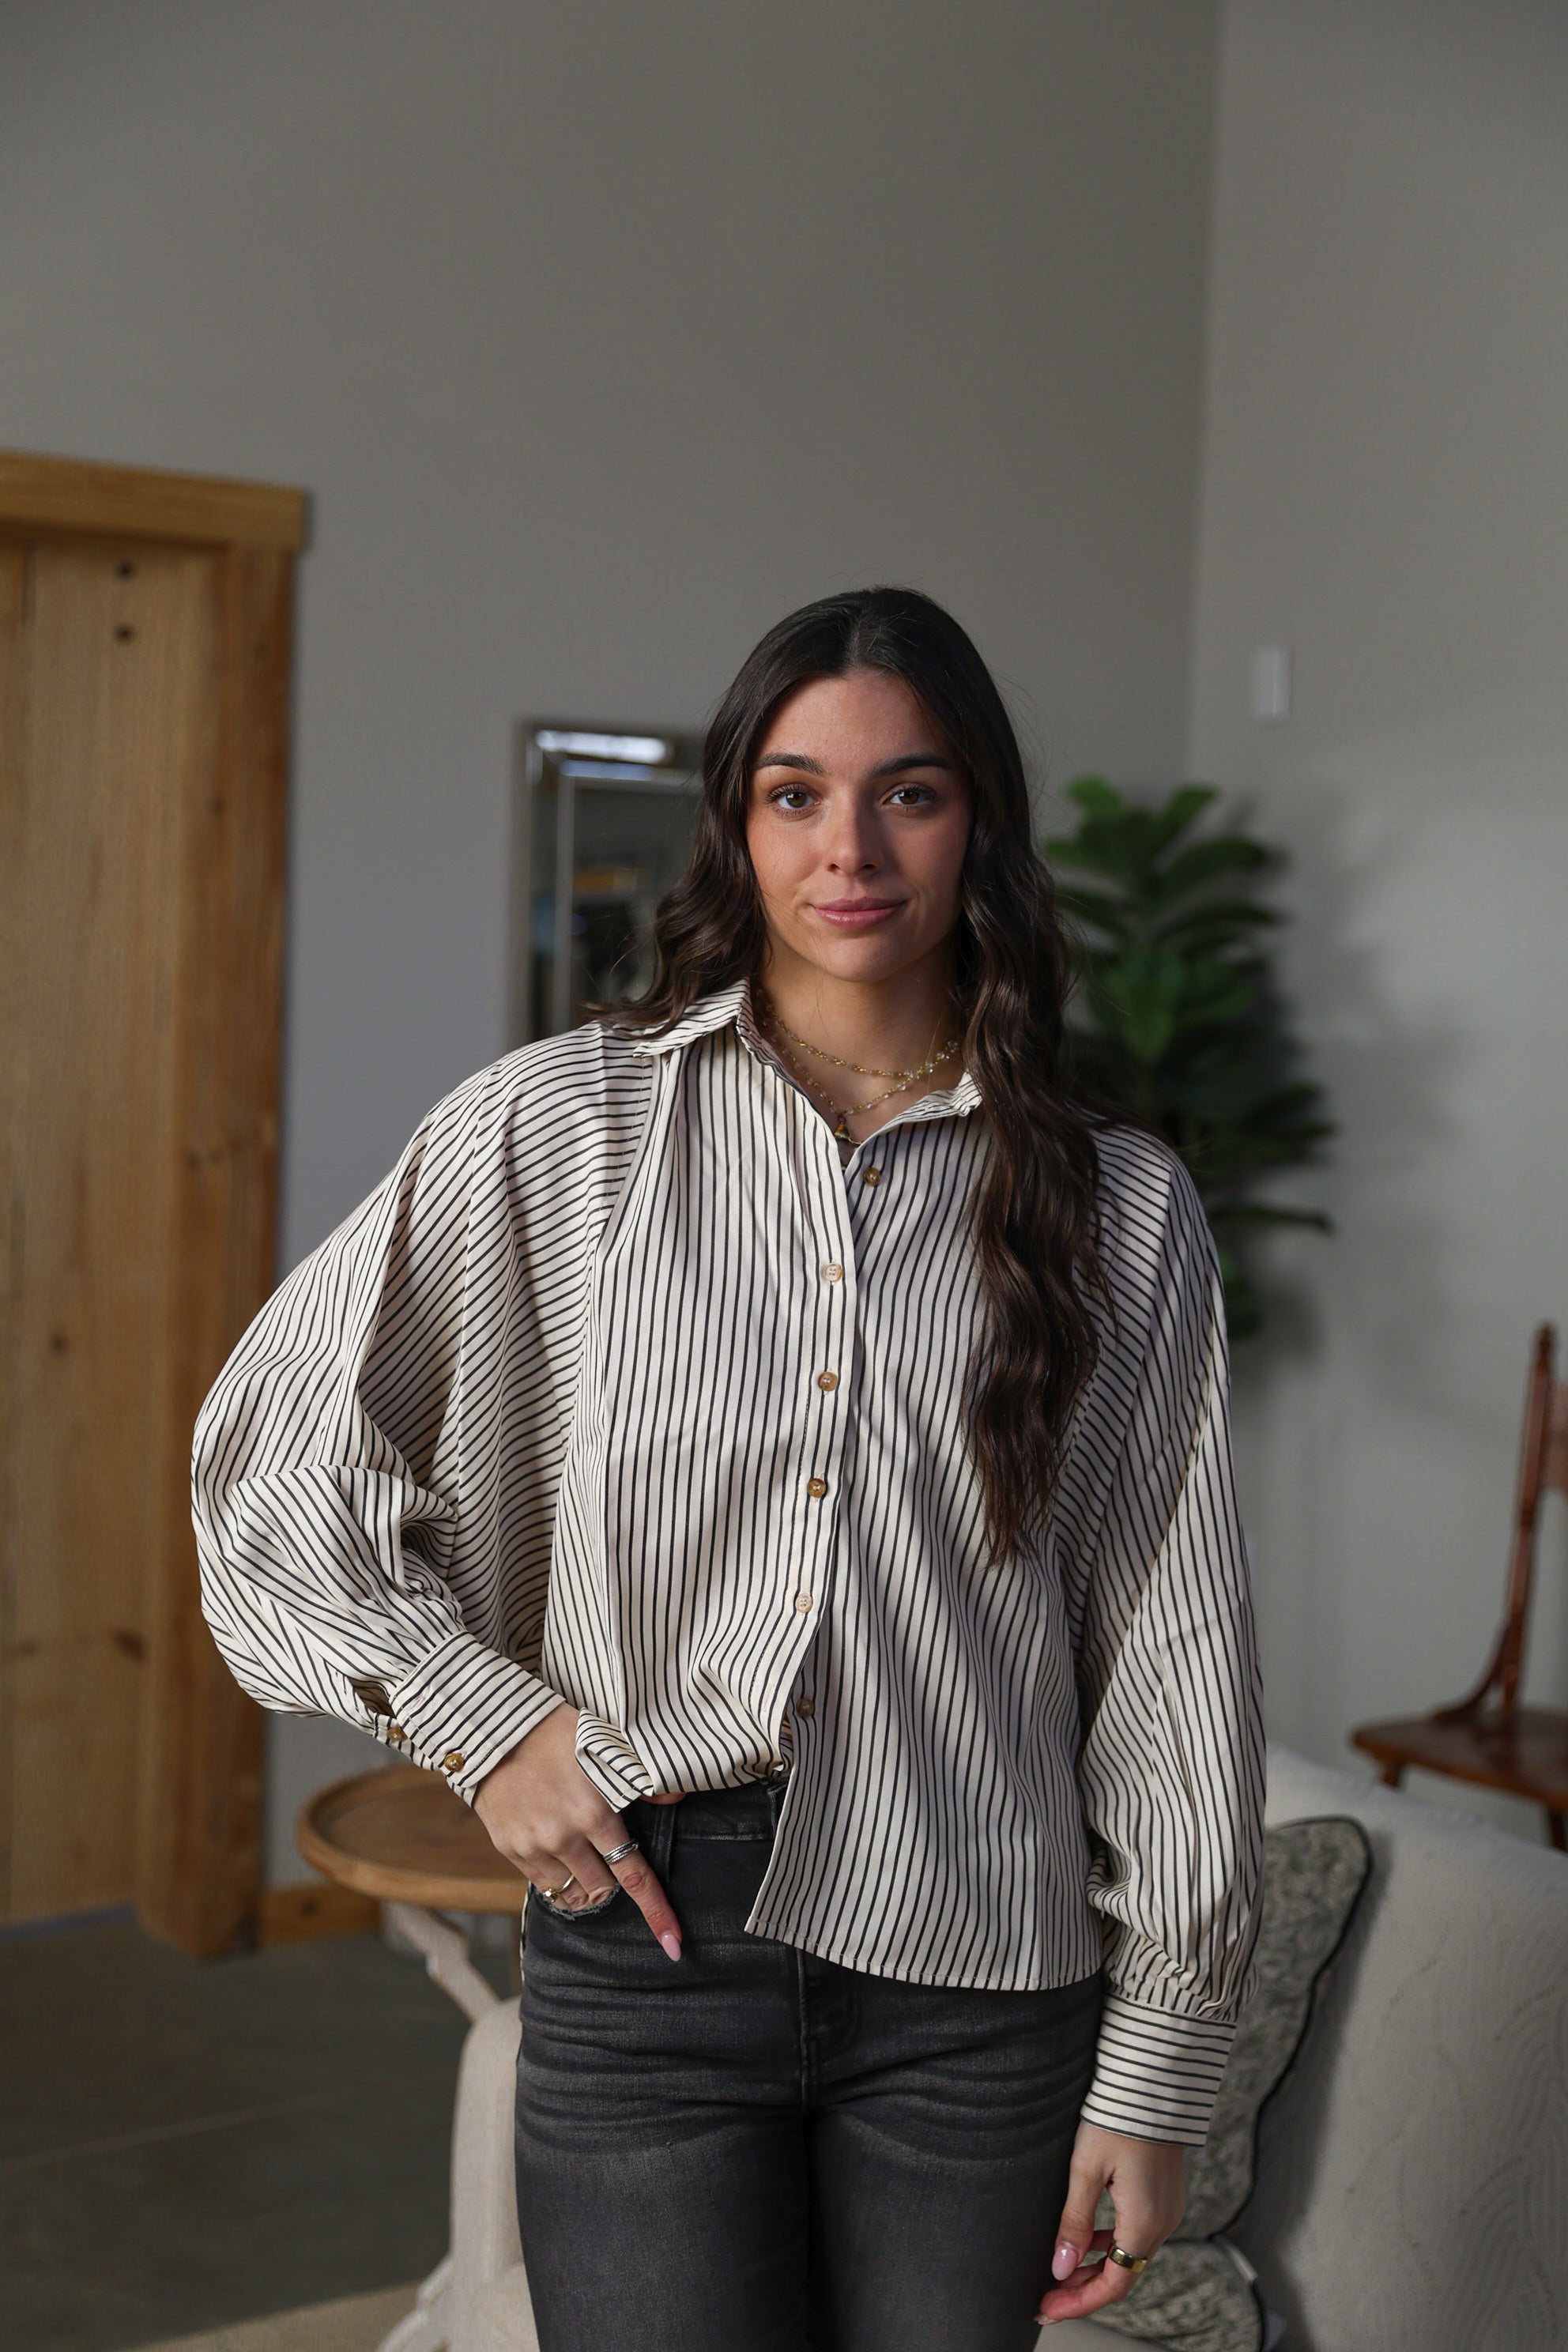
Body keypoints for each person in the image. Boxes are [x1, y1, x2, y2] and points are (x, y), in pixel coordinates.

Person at [193, 586, 1264, 2352]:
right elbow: (272, 1461)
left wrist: (1151, 2072)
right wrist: (483, 1718)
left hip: (982, 1968)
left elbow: (1167, 1643)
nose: (848, 846)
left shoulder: (1119, 1209)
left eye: (908, 792)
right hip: (648, 1947)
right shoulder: (556, 1130)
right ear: (734, 823)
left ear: (977, 820)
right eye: (793, 793)